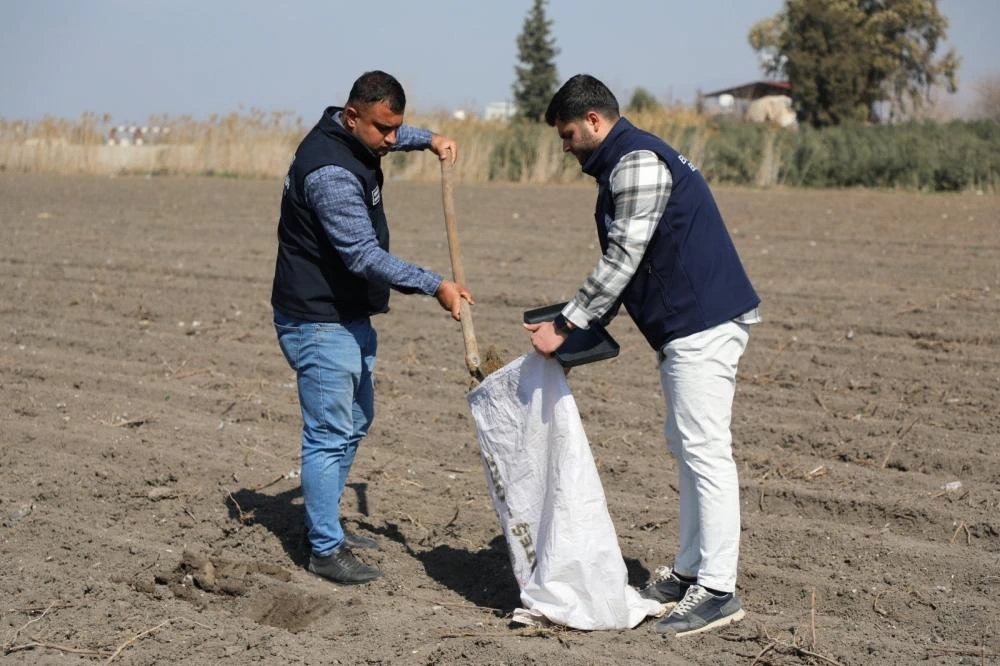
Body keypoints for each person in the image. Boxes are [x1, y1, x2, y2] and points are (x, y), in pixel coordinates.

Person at [524, 74, 761, 636]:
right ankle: (686, 571)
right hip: (688, 327)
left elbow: (625, 254)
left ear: (594, 122)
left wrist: (567, 324)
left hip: (702, 324)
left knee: (706, 453)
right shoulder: (627, 159)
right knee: (687, 448)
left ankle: (719, 590)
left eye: (566, 134)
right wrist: (580, 321)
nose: (564, 146)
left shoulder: (634, 161)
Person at [271, 70, 473, 585]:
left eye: (396, 129)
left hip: (345, 314)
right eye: (383, 130)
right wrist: (436, 285)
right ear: (353, 115)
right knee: (329, 433)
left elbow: (390, 132)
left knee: (355, 422)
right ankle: (323, 549)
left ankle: (325, 523)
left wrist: (428, 139)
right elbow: (362, 255)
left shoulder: (354, 131)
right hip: (318, 319)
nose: (390, 140)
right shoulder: (330, 173)